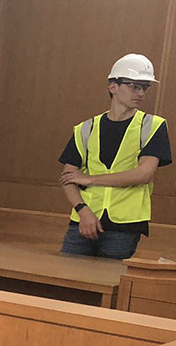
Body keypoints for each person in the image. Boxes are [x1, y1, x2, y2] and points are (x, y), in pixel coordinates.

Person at [58, 54, 170, 260]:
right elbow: (67, 178)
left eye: (145, 87)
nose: (141, 93)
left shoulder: (153, 126)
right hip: (83, 221)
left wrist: (90, 179)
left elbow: (143, 174)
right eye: (134, 86)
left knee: (109, 284)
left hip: (124, 227)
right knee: (66, 281)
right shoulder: (86, 128)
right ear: (113, 87)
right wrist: (83, 211)